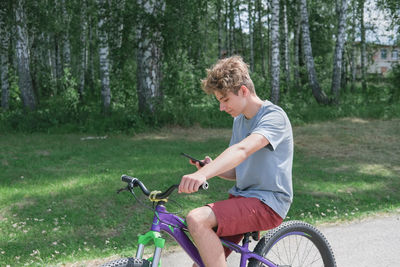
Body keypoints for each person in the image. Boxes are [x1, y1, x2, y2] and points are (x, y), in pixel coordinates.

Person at [178, 56, 293, 267]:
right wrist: (211, 168)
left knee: (197, 219)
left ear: (243, 91)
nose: (222, 108)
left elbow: (242, 150)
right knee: (201, 264)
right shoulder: (239, 120)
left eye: (225, 100)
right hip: (242, 199)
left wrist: (203, 174)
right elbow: (237, 170)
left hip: (268, 203)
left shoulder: (274, 117)